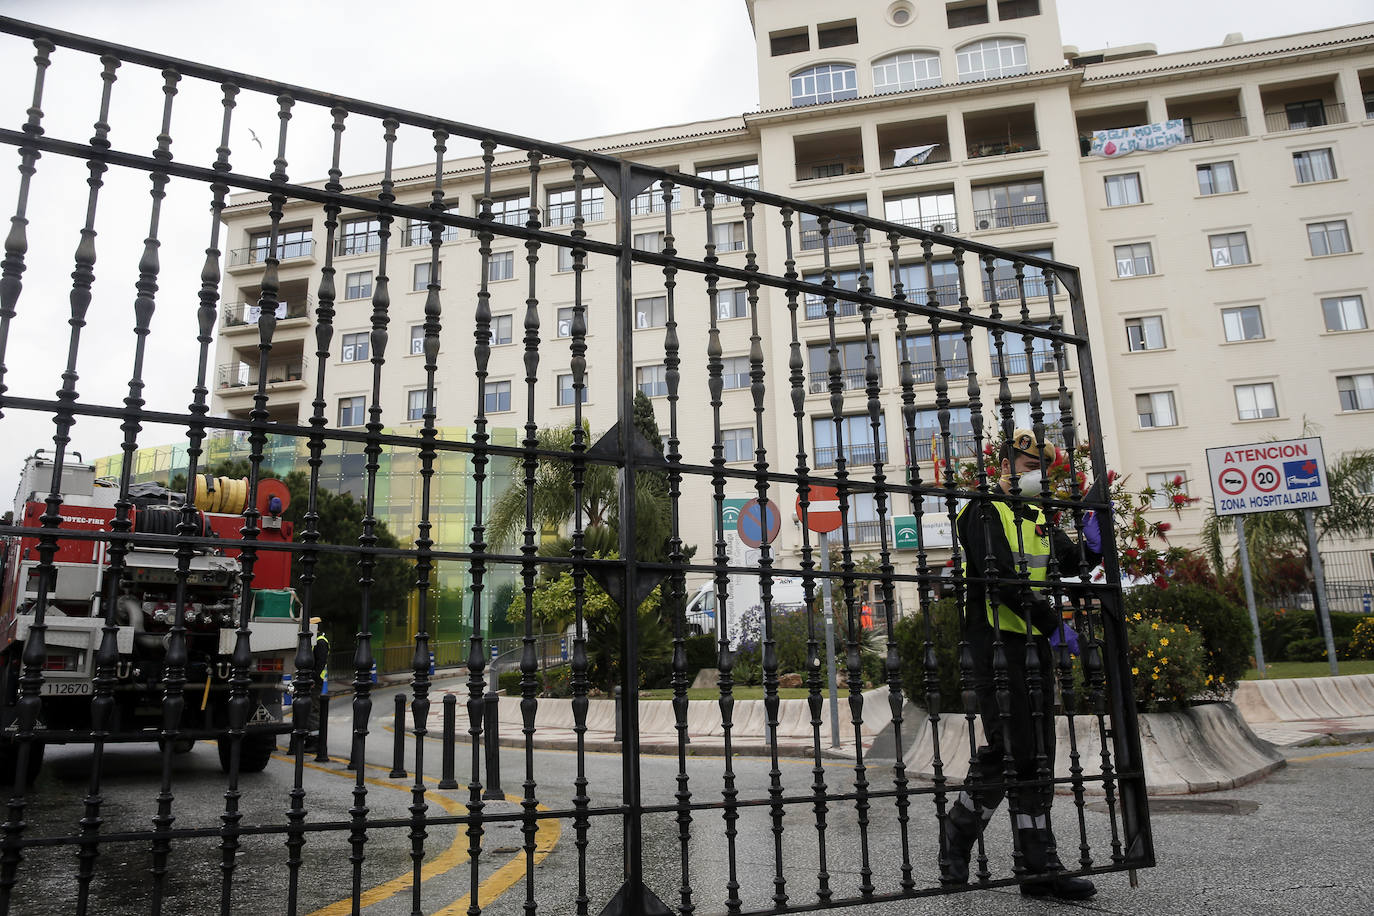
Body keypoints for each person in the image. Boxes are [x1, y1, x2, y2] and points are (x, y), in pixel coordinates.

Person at [942, 428, 1101, 900]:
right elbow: (999, 579)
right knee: (1012, 747)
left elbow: (1069, 562)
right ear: (1005, 464)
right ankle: (966, 843)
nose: (1039, 476)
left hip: (1031, 647)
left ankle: (1033, 865)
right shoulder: (982, 509)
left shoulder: (1037, 514)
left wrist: (1094, 543)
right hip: (995, 643)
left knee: (1033, 752)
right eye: (1031, 467)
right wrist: (1054, 624)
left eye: (1043, 470)